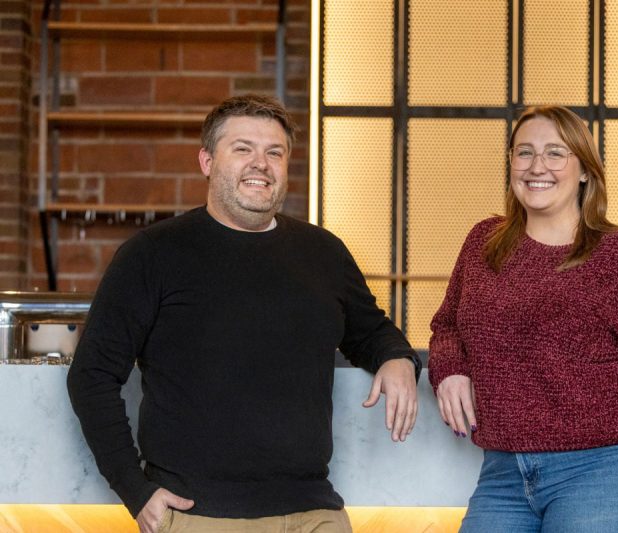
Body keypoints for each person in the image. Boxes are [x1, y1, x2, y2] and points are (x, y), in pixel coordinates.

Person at [67, 94, 421, 533]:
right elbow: (92, 375)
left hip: (315, 512)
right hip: (200, 515)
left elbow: (370, 332)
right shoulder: (152, 254)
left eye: (274, 152)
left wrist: (398, 357)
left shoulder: (323, 252)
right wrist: (135, 490)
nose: (261, 163)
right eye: (242, 149)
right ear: (207, 161)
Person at [428, 106, 618, 533]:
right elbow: (447, 325)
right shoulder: (483, 244)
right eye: (524, 153)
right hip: (503, 472)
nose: (537, 166)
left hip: (606, 470)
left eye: (555, 153)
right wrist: (449, 370)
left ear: (583, 170)